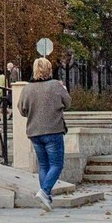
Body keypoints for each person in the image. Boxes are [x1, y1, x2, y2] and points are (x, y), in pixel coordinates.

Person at [15, 56, 71, 209]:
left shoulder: (27, 88)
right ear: (49, 70)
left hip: (34, 132)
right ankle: (44, 191)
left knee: (43, 165)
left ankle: (46, 198)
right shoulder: (56, 85)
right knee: (57, 164)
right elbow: (68, 103)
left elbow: (21, 109)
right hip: (53, 130)